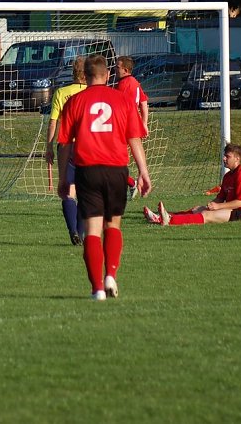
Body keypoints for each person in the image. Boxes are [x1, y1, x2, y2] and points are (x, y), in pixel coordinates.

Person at [57, 55, 151, 301]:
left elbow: (64, 144)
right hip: (116, 170)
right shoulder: (121, 100)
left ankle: (97, 288)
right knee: (114, 225)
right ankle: (110, 274)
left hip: (87, 171)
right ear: (107, 75)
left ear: (85, 76)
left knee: (93, 231)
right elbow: (134, 139)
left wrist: (62, 178)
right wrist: (143, 172)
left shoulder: (74, 101)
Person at [144, 143, 241, 226]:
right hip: (233, 210)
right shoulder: (228, 176)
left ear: (237, 159)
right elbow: (221, 197)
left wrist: (218, 207)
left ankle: (169, 221)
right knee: (197, 209)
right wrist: (213, 204)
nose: (224, 158)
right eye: (224, 155)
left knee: (207, 215)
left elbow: (240, 202)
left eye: (227, 156)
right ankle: (161, 217)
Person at [43, 55, 87, 246]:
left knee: (69, 192)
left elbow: (53, 122)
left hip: (67, 147)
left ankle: (73, 231)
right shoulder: (92, 92)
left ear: (73, 72)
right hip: (89, 147)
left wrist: (49, 147)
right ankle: (81, 233)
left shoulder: (61, 93)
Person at [114, 55, 150, 199]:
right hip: (132, 124)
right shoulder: (134, 82)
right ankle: (131, 182)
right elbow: (143, 102)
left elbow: (117, 105)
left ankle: (130, 183)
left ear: (125, 69)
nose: (115, 69)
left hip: (124, 125)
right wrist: (144, 123)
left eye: (117, 67)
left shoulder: (125, 84)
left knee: (114, 161)